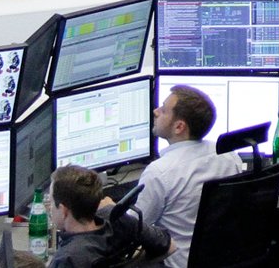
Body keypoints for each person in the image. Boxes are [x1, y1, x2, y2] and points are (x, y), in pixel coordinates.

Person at [124, 85, 245, 268]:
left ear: (179, 126)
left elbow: (132, 229)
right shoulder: (229, 157)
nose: (155, 112)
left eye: (163, 110)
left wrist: (109, 209)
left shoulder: (160, 172)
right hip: (224, 259)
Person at [47, 164, 169, 268]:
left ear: (64, 211)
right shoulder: (121, 221)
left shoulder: (66, 259)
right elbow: (171, 246)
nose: (50, 207)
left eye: (51, 201)